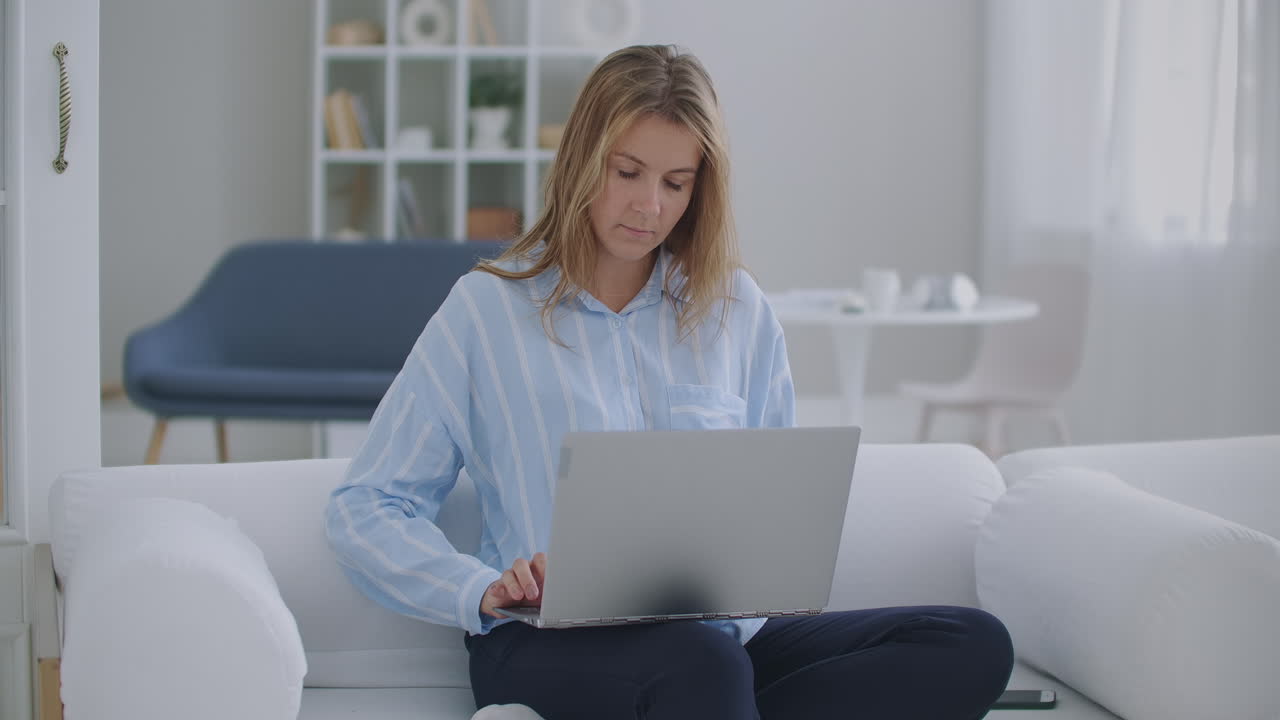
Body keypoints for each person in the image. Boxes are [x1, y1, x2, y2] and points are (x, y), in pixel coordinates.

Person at [326, 44, 1013, 719]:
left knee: (968, 643)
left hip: (713, 645)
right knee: (702, 668)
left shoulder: (737, 311)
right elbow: (366, 505)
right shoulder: (485, 311)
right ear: (582, 161)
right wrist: (477, 590)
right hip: (543, 644)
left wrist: (746, 598)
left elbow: (773, 517)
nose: (648, 206)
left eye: (675, 183)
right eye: (626, 172)